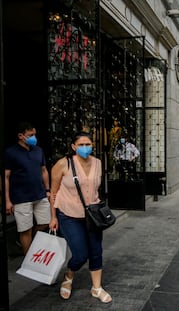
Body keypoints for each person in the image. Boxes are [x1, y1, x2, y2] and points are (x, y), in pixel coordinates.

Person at [49, 131, 112, 303]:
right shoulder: (63, 164)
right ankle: (69, 275)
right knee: (80, 254)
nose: (85, 148)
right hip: (69, 215)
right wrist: (53, 217)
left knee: (96, 251)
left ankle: (96, 288)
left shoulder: (98, 163)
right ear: (73, 147)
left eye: (88, 144)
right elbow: (53, 193)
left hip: (92, 216)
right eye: (81, 145)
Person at [4, 122, 51, 254]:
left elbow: (44, 171)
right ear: (20, 136)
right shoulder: (10, 152)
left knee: (45, 223)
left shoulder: (38, 150)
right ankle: (29, 261)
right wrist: (7, 200)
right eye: (30, 135)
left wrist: (47, 190)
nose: (34, 138)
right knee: (25, 230)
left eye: (35, 135)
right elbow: (6, 177)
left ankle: (33, 246)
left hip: (40, 195)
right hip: (21, 197)